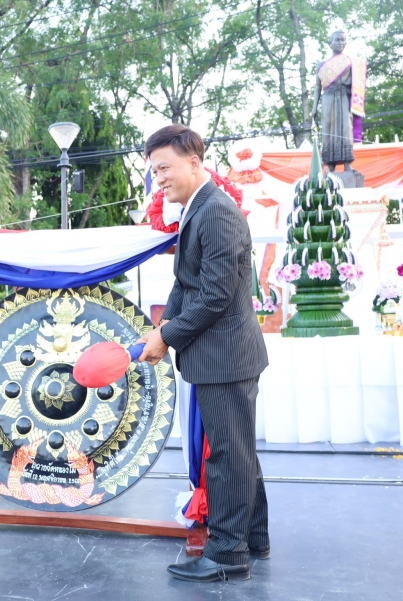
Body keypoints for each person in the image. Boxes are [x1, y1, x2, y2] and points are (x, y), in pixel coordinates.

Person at [137, 125, 269, 583]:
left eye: (164, 168)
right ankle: (254, 537)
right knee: (238, 450)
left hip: (225, 356)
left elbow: (214, 295)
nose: (159, 179)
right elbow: (187, 283)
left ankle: (228, 553)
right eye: (154, 171)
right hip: (221, 354)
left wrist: (167, 337)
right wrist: (162, 328)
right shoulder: (200, 207)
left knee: (228, 455)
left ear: (194, 162)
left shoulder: (216, 212)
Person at [311, 30, 367, 172]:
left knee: (345, 128)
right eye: (337, 40)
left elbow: (357, 82)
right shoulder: (321, 65)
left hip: (344, 98)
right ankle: (331, 166)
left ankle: (347, 164)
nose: (341, 43)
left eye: (343, 40)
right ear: (330, 43)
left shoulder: (351, 62)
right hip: (328, 99)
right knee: (328, 130)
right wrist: (314, 107)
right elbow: (317, 87)